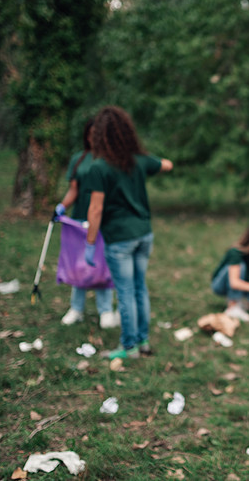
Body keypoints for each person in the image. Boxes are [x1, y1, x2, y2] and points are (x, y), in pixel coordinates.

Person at [82, 105, 173, 360]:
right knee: (139, 288)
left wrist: (90, 243)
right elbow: (167, 164)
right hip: (144, 234)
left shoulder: (98, 168)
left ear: (100, 135)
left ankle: (129, 347)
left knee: (125, 293)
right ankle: (142, 341)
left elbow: (96, 209)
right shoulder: (139, 161)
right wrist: (149, 160)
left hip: (120, 239)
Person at [55, 118, 119, 329]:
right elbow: (74, 189)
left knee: (102, 265)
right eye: (91, 134)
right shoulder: (79, 159)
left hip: (103, 221)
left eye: (98, 135)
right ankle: (76, 308)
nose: (94, 139)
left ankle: (105, 310)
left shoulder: (111, 160)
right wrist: (62, 206)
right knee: (77, 265)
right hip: (79, 220)